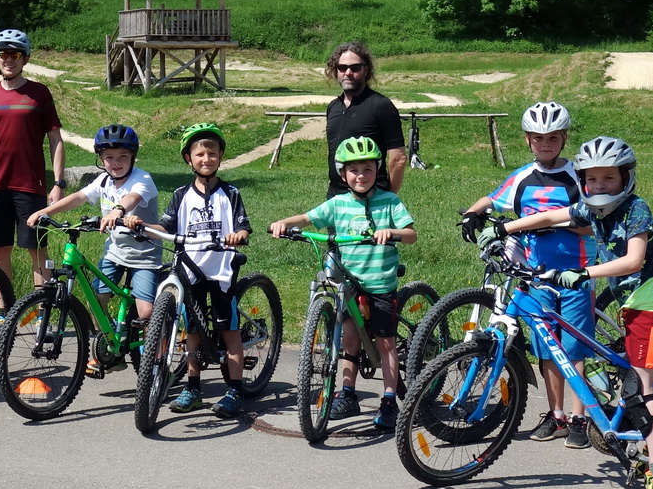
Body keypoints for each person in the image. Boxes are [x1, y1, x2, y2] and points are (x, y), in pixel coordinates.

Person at [479, 135, 653, 489]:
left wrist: (585, 272)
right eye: (592, 179)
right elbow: (549, 216)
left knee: (639, 391)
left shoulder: (636, 210)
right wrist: (505, 230)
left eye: (609, 178)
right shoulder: (591, 209)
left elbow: (633, 261)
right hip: (633, 308)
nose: (599, 185)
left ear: (626, 178)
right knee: (630, 383)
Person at [459, 102, 598, 448]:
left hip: (575, 273)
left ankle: (579, 418)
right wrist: (472, 214)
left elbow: (595, 224)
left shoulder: (578, 177)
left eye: (552, 138)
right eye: (538, 138)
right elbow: (493, 199)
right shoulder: (522, 177)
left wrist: (558, 224)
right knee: (547, 349)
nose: (545, 144)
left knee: (573, 349)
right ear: (527, 140)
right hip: (535, 275)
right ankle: (557, 415)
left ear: (564, 138)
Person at [269, 136, 417, 430]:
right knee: (349, 338)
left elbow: (411, 235)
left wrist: (391, 232)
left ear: (378, 170)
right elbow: (308, 218)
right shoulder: (338, 203)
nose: (361, 176)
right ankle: (348, 393)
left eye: (367, 169)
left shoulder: (389, 201)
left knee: (385, 343)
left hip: (379, 282)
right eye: (354, 170)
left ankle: (389, 401)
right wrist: (285, 223)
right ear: (342, 174)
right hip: (348, 282)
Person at [124, 123, 252, 417]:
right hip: (189, 271)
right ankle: (193, 387)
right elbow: (165, 226)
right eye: (200, 154)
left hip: (220, 270)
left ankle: (235, 389)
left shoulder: (230, 193)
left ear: (221, 157)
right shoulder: (181, 194)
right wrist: (141, 225)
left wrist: (238, 236)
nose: (206, 159)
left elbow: (243, 226)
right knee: (192, 330)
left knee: (228, 329)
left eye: (212, 153)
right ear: (188, 159)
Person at [26, 124, 160, 377]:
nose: (116, 163)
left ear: (133, 157)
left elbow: (133, 198)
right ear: (101, 159)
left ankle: (156, 360)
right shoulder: (104, 180)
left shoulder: (142, 179)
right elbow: (78, 197)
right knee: (96, 300)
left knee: (146, 313)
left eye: (123, 156)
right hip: (115, 252)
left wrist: (118, 210)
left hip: (144, 255)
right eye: (109, 157)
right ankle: (110, 347)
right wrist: (45, 211)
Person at [0, 28, 66, 293]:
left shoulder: (39, 93)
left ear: (25, 59)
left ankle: (42, 309)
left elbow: (55, 140)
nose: (9, 59)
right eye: (3, 54)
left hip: (31, 184)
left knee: (37, 249)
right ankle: (5, 310)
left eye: (16, 55)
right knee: (0, 250)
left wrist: (58, 183)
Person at [323, 41, 405, 197]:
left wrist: (388, 197)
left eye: (355, 68)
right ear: (336, 70)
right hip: (336, 197)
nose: (348, 73)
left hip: (372, 196)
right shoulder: (333, 107)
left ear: (365, 69)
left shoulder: (381, 105)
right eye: (342, 68)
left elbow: (398, 158)